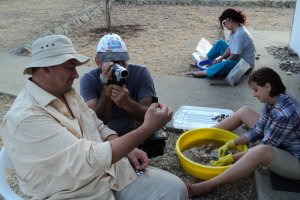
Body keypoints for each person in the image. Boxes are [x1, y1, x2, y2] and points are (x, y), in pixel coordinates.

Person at [1, 35, 188, 200]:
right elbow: (88, 160)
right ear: (45, 68)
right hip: (72, 192)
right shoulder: (25, 119)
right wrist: (146, 128)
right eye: (69, 67)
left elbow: (96, 124)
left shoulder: (66, 92)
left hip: (109, 174)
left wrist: (126, 148)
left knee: (175, 189)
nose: (76, 74)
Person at [186, 67, 300, 198]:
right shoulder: (274, 98)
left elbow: (266, 146)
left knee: (260, 151)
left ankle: (208, 185)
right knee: (245, 111)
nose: (254, 94)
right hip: (280, 139)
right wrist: (232, 143)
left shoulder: (284, 114)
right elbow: (258, 129)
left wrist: (231, 157)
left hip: (295, 160)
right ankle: (204, 133)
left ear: (268, 87)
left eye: (256, 90)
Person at [80, 33, 166, 158]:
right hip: (103, 139)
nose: (118, 65)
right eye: (111, 61)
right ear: (98, 61)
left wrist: (127, 103)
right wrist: (106, 91)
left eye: (121, 60)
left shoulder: (140, 73)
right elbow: (94, 122)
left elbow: (148, 117)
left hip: (132, 134)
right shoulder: (89, 79)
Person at [186, 8, 255, 79]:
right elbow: (230, 47)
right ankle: (204, 61)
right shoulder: (235, 30)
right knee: (220, 43)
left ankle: (205, 72)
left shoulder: (240, 34)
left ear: (230, 20)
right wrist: (221, 58)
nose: (224, 25)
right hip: (238, 59)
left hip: (245, 66)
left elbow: (234, 56)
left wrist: (222, 61)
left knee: (225, 63)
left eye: (224, 22)